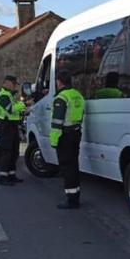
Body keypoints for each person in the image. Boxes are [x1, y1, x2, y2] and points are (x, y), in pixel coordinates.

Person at [50, 69, 85, 209]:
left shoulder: (61, 98)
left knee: (67, 167)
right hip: (76, 133)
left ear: (59, 82)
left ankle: (71, 199)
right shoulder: (77, 95)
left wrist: (54, 141)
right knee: (74, 165)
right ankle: (75, 196)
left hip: (64, 136)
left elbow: (57, 123)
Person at [0, 75, 27, 186]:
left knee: (14, 152)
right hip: (6, 127)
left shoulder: (10, 95)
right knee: (7, 153)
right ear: (7, 83)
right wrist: (24, 104)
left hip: (12, 126)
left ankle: (11, 175)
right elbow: (11, 109)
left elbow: (15, 111)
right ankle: (3, 177)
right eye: (14, 84)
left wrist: (23, 111)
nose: (15, 87)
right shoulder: (3, 96)